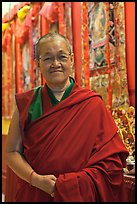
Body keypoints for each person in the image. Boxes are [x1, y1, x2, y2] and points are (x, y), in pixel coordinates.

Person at [5, 32, 129, 202]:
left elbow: (112, 164)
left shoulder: (92, 103)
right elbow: (12, 152)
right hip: (36, 193)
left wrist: (72, 184)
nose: (56, 64)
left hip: (80, 196)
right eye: (48, 59)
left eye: (61, 57)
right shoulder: (27, 104)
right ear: (37, 64)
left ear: (71, 60)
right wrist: (36, 179)